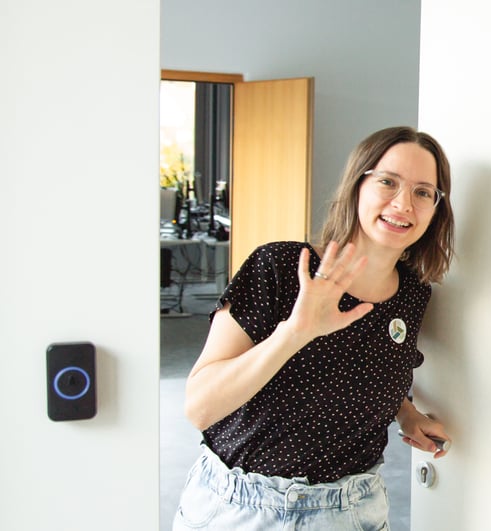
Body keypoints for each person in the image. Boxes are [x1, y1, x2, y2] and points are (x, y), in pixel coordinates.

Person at [173, 126, 455, 530]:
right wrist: (296, 332)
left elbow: (358, 370)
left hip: (352, 511)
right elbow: (199, 407)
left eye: (423, 192)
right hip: (243, 510)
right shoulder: (282, 268)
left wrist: (406, 413)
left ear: (436, 208)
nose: (403, 204)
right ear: (358, 184)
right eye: (388, 182)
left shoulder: (412, 295)